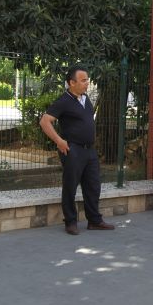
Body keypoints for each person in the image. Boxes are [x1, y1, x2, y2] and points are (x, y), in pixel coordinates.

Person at [40, 66, 115, 235]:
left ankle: (94, 221)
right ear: (71, 83)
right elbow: (45, 121)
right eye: (83, 80)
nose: (87, 83)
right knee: (70, 186)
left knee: (93, 186)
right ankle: (70, 222)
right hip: (72, 150)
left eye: (87, 79)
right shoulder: (64, 101)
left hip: (90, 151)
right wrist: (59, 141)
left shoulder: (85, 99)